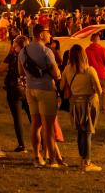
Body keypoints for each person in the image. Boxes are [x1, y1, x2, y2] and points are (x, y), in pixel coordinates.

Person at [19, 24, 63, 167]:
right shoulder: (46, 51)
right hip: (46, 89)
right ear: (41, 34)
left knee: (35, 124)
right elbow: (56, 74)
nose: (50, 35)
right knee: (48, 127)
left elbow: (20, 72)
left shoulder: (23, 51)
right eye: (48, 32)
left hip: (30, 90)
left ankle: (36, 156)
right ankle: (51, 160)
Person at [59, 44, 102, 172]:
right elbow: (99, 90)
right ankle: (86, 162)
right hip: (89, 103)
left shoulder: (67, 69)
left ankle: (82, 159)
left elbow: (61, 87)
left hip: (75, 103)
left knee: (80, 131)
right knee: (88, 132)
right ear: (84, 55)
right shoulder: (90, 71)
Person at [0, 34, 30, 153]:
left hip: (14, 88)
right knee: (33, 118)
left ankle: (22, 145)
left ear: (16, 44)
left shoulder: (13, 55)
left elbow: (0, 68)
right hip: (28, 88)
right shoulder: (29, 55)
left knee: (17, 118)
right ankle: (43, 142)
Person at [84, 32, 105, 114]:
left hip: (91, 74)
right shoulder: (103, 50)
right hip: (103, 74)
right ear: (98, 39)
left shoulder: (86, 50)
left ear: (91, 40)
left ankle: (92, 108)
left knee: (92, 93)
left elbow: (85, 62)